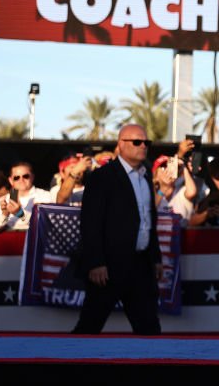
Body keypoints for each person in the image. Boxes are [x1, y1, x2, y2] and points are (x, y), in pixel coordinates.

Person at [72, 124, 161, 335]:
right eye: (137, 142)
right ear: (121, 144)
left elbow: (149, 220)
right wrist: (96, 262)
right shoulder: (103, 176)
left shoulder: (146, 176)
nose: (143, 146)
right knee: (89, 326)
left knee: (149, 328)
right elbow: (91, 222)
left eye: (146, 142)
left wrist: (155, 257)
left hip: (140, 266)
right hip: (109, 267)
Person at [0, 162, 54, 233]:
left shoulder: (45, 196)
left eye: (26, 176)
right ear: (11, 180)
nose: (21, 180)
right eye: (16, 177)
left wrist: (19, 213)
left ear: (32, 177)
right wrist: (4, 214)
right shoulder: (3, 200)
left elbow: (46, 225)